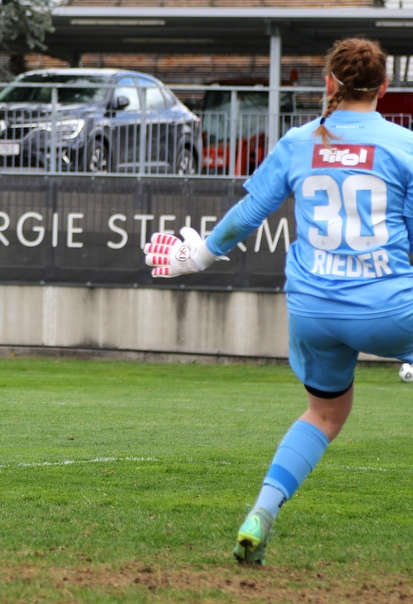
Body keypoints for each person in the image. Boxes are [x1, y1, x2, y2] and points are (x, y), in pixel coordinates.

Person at [144, 37, 412, 565]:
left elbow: (248, 214)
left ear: (328, 83)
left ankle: (261, 514)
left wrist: (198, 255)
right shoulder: (405, 147)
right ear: (385, 88)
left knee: (324, 414)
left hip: (313, 311)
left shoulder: (298, 142)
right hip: (390, 307)